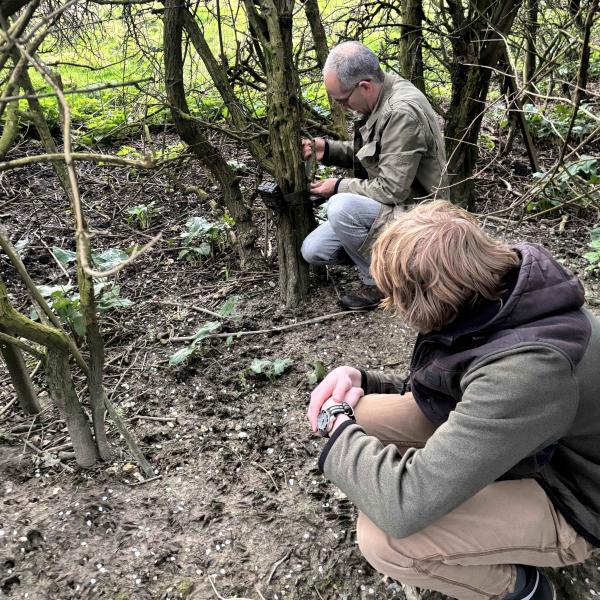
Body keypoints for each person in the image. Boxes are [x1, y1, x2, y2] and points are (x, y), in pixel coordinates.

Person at [307, 200, 600, 600]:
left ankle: (522, 589)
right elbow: (465, 383)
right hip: (535, 445)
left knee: (386, 539)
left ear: (425, 299)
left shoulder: (529, 371)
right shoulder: (497, 293)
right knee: (364, 413)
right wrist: (364, 380)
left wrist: (338, 426)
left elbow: (403, 507)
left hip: (576, 496)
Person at [301, 41, 448, 311]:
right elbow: (378, 155)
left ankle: (381, 281)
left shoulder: (400, 112)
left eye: (342, 100)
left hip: (419, 215)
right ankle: (401, 266)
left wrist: (338, 186)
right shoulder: (381, 96)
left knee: (341, 207)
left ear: (364, 86)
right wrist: (328, 150)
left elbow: (392, 189)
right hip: (394, 207)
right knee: (315, 249)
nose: (342, 107)